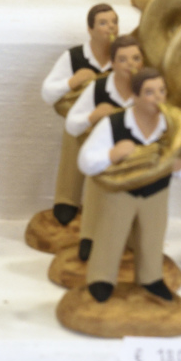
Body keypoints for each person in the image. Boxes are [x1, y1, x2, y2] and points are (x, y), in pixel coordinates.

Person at [77, 67, 181, 305]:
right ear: (135, 96)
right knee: (111, 235)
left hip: (157, 194)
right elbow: (85, 160)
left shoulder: (170, 126)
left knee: (152, 238)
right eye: (149, 92)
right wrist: (111, 154)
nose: (158, 97)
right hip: (121, 194)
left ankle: (151, 278)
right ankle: (101, 279)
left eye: (162, 91)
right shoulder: (113, 124)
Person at [65, 29, 146, 268]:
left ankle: (131, 240)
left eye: (136, 58)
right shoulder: (99, 88)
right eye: (123, 59)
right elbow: (72, 124)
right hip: (104, 153)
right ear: (112, 62)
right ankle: (89, 237)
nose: (130, 64)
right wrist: (92, 116)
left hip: (135, 157)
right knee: (96, 187)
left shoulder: (148, 89)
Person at [40, 3, 121, 227]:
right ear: (90, 29)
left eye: (114, 22)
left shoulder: (123, 56)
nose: (111, 27)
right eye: (103, 23)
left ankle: (107, 202)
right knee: (73, 136)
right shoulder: (74, 56)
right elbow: (47, 92)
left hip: (111, 121)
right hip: (83, 119)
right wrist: (72, 81)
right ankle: (67, 199)